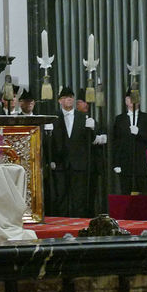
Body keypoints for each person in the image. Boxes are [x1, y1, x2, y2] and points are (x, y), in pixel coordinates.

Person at [49, 87, 98, 217]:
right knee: (61, 196)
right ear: (60, 101)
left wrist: (91, 129)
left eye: (71, 96)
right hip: (60, 163)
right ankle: (61, 222)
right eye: (65, 97)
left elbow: (90, 140)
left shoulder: (83, 117)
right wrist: (51, 160)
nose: (69, 99)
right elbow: (49, 142)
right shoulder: (53, 117)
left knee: (79, 197)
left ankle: (78, 223)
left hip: (79, 163)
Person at [111, 89, 147, 195]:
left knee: (146, 193)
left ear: (139, 100)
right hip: (125, 163)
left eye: (134, 97)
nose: (131, 100)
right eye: (128, 98)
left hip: (143, 164)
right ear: (125, 101)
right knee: (126, 194)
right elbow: (116, 142)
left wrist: (139, 133)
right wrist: (116, 163)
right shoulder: (119, 119)